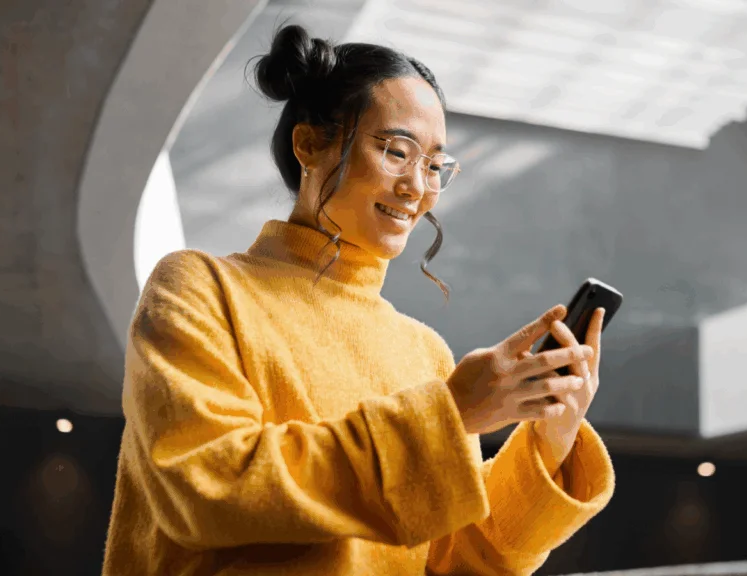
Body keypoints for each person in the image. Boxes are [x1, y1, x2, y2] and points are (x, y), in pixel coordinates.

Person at [102, 24, 614, 576]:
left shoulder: (425, 353)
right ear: (310, 145)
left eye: (435, 165)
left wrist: (551, 441)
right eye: (397, 151)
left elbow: (459, 562)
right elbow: (207, 486)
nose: (417, 186)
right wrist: (452, 414)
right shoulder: (200, 288)